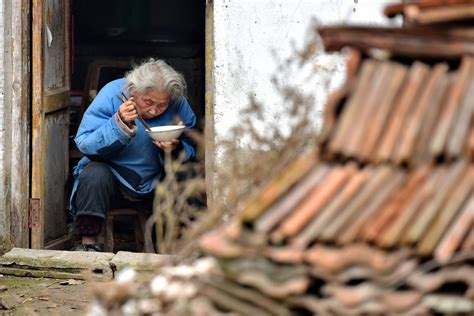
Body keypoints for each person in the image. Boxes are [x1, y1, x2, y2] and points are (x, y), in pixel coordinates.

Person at [70, 58, 196, 252]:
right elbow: (85, 142)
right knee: (94, 173)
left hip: (154, 180)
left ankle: (178, 247)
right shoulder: (113, 94)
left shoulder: (178, 102)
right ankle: (89, 244)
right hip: (115, 180)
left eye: (162, 105)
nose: (153, 110)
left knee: (186, 177)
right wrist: (118, 124)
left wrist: (176, 149)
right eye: (148, 102)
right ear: (133, 90)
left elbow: (193, 143)